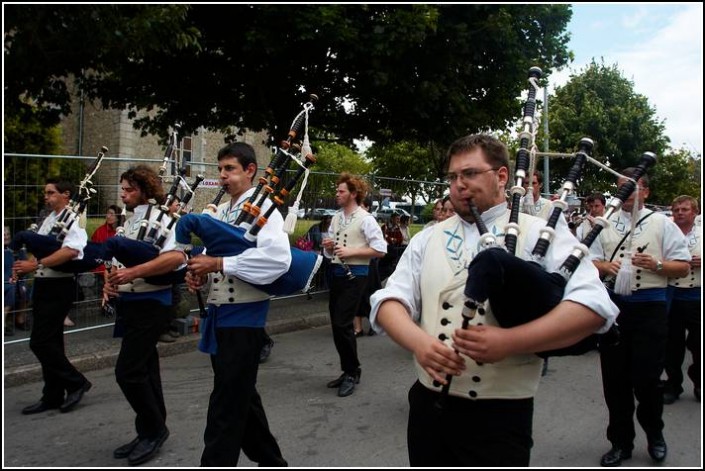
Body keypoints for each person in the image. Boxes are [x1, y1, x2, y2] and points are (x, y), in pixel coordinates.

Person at [370, 134, 618, 467]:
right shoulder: (428, 237)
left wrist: (510, 341)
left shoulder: (537, 232)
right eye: (453, 176)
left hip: (500, 416)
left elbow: (593, 306)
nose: (459, 185)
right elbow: (389, 300)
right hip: (428, 407)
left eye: (470, 174)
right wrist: (419, 343)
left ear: (502, 176)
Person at [184, 142, 289, 467]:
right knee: (241, 399)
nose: (223, 176)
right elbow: (222, 257)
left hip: (244, 318)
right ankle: (272, 462)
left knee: (225, 409)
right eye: (220, 169)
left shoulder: (264, 209)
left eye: (230, 169)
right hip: (221, 315)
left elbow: (277, 260)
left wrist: (219, 265)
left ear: (250, 171)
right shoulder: (229, 211)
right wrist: (201, 273)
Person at [589, 168, 690, 467]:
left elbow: (683, 266)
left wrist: (657, 264)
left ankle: (655, 435)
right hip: (615, 309)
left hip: (651, 309)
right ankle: (620, 443)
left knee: (647, 381)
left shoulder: (661, 223)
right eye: (622, 187)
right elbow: (589, 260)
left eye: (633, 188)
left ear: (645, 191)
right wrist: (606, 266)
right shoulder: (603, 223)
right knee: (615, 382)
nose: (626, 193)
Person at [104, 166, 186, 466]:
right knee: (146, 369)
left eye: (129, 189)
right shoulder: (129, 220)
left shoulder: (163, 219)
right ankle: (148, 429)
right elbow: (118, 259)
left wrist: (134, 271)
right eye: (122, 188)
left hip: (152, 302)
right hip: (132, 301)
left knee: (127, 371)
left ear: (145, 190)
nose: (123, 194)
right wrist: (110, 280)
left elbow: (176, 258)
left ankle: (155, 429)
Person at [13, 178, 93, 415]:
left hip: (59, 285)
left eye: (51, 193)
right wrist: (27, 265)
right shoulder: (50, 218)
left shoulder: (73, 219)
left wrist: (35, 263)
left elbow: (70, 251)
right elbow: (45, 248)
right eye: (45, 193)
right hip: (44, 283)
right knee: (52, 340)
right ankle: (52, 394)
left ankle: (76, 382)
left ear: (66, 194)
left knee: (40, 341)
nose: (46, 197)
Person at [322, 173, 386, 397]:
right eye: (337, 191)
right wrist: (329, 247)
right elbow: (330, 249)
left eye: (341, 191)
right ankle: (348, 369)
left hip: (356, 276)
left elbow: (380, 249)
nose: (337, 194)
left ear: (353, 194)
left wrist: (352, 251)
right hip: (337, 273)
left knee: (342, 323)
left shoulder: (366, 219)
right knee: (337, 324)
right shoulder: (337, 217)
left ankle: (353, 371)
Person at [662, 195, 700, 404]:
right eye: (676, 210)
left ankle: (700, 383)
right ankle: (673, 384)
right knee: (672, 345)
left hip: (697, 295)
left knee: (698, 344)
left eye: (685, 209)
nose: (680, 213)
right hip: (672, 294)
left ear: (695, 212)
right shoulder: (665, 231)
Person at [353, 197, 382, 337]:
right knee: (356, 296)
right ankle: (358, 329)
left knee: (370, 295)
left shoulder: (370, 221)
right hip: (356, 264)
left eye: (361, 205)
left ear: (368, 207)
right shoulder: (353, 221)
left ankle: (373, 325)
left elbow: (379, 247)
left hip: (369, 265)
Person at [159, 197, 182, 344]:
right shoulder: (162, 221)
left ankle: (169, 325)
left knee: (174, 297)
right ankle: (162, 329)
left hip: (175, 266)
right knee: (165, 299)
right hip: (164, 265)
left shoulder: (175, 221)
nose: (179, 206)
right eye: (177, 204)